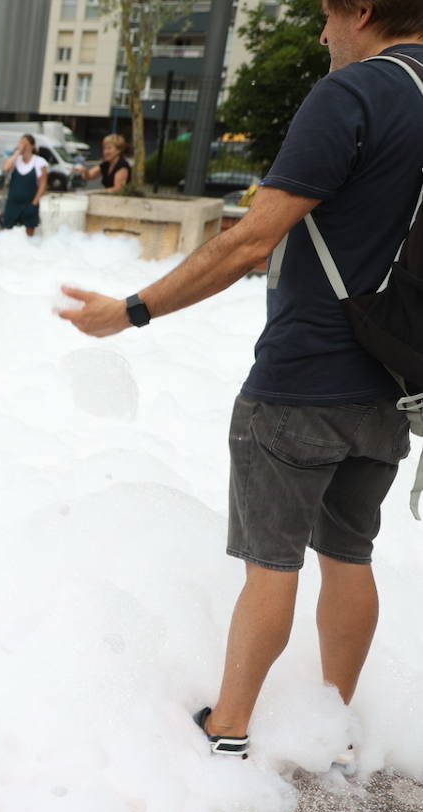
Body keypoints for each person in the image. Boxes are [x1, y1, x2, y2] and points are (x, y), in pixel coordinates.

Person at [58, 0, 423, 762]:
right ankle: (333, 727)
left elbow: (250, 239)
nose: (322, 34)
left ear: (361, 11)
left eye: (327, 16)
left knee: (272, 565)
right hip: (394, 380)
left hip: (304, 377)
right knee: (350, 555)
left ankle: (228, 728)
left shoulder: (353, 93)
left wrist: (130, 310)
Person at [1, 134, 46, 237]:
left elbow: (43, 185)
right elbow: (5, 168)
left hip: (29, 204)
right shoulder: (16, 160)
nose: (23, 146)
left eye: (26, 143)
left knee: (29, 235)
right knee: (6, 232)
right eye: (21, 143)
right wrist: (18, 152)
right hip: (13, 203)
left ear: (32, 146)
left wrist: (34, 204)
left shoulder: (39, 162)